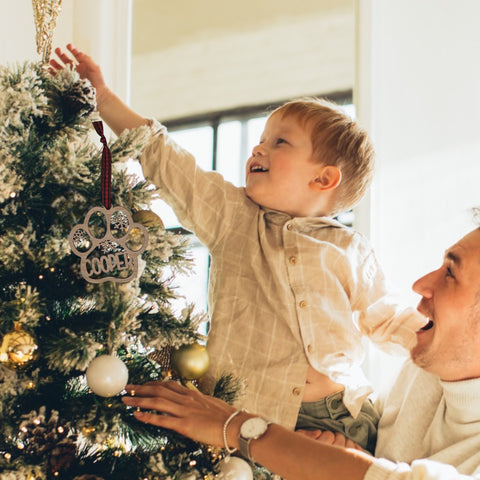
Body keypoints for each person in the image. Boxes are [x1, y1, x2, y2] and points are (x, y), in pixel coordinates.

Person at [51, 45, 426, 453]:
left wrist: (441, 340)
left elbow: (386, 318)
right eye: (261, 139)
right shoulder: (234, 218)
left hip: (337, 415)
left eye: (280, 142)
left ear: (323, 179)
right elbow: (168, 160)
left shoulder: (348, 248)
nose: (257, 148)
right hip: (245, 412)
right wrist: (104, 98)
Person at [122, 224, 480, 480]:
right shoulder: (427, 368)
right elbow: (381, 465)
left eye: (450, 273)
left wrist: (235, 426)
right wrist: (349, 454)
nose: (421, 285)